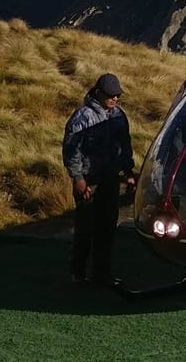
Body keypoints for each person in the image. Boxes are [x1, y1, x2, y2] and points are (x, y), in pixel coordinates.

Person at [61, 73, 135, 285]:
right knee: (85, 228)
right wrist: (78, 178)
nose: (115, 99)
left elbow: (125, 146)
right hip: (89, 182)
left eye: (118, 95)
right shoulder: (82, 118)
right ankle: (78, 272)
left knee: (107, 228)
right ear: (99, 92)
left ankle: (101, 273)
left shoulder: (119, 116)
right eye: (111, 95)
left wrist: (128, 172)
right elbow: (71, 149)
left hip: (110, 179)